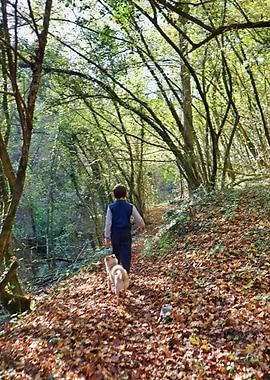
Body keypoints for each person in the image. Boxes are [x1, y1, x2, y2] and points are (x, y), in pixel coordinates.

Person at [104, 184, 145, 274]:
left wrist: (107, 237)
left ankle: (117, 275)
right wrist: (142, 226)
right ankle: (125, 275)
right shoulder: (130, 206)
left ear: (114, 195)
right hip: (126, 233)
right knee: (126, 254)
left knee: (116, 254)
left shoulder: (111, 207)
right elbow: (139, 219)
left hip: (115, 234)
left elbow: (108, 223)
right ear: (125, 194)